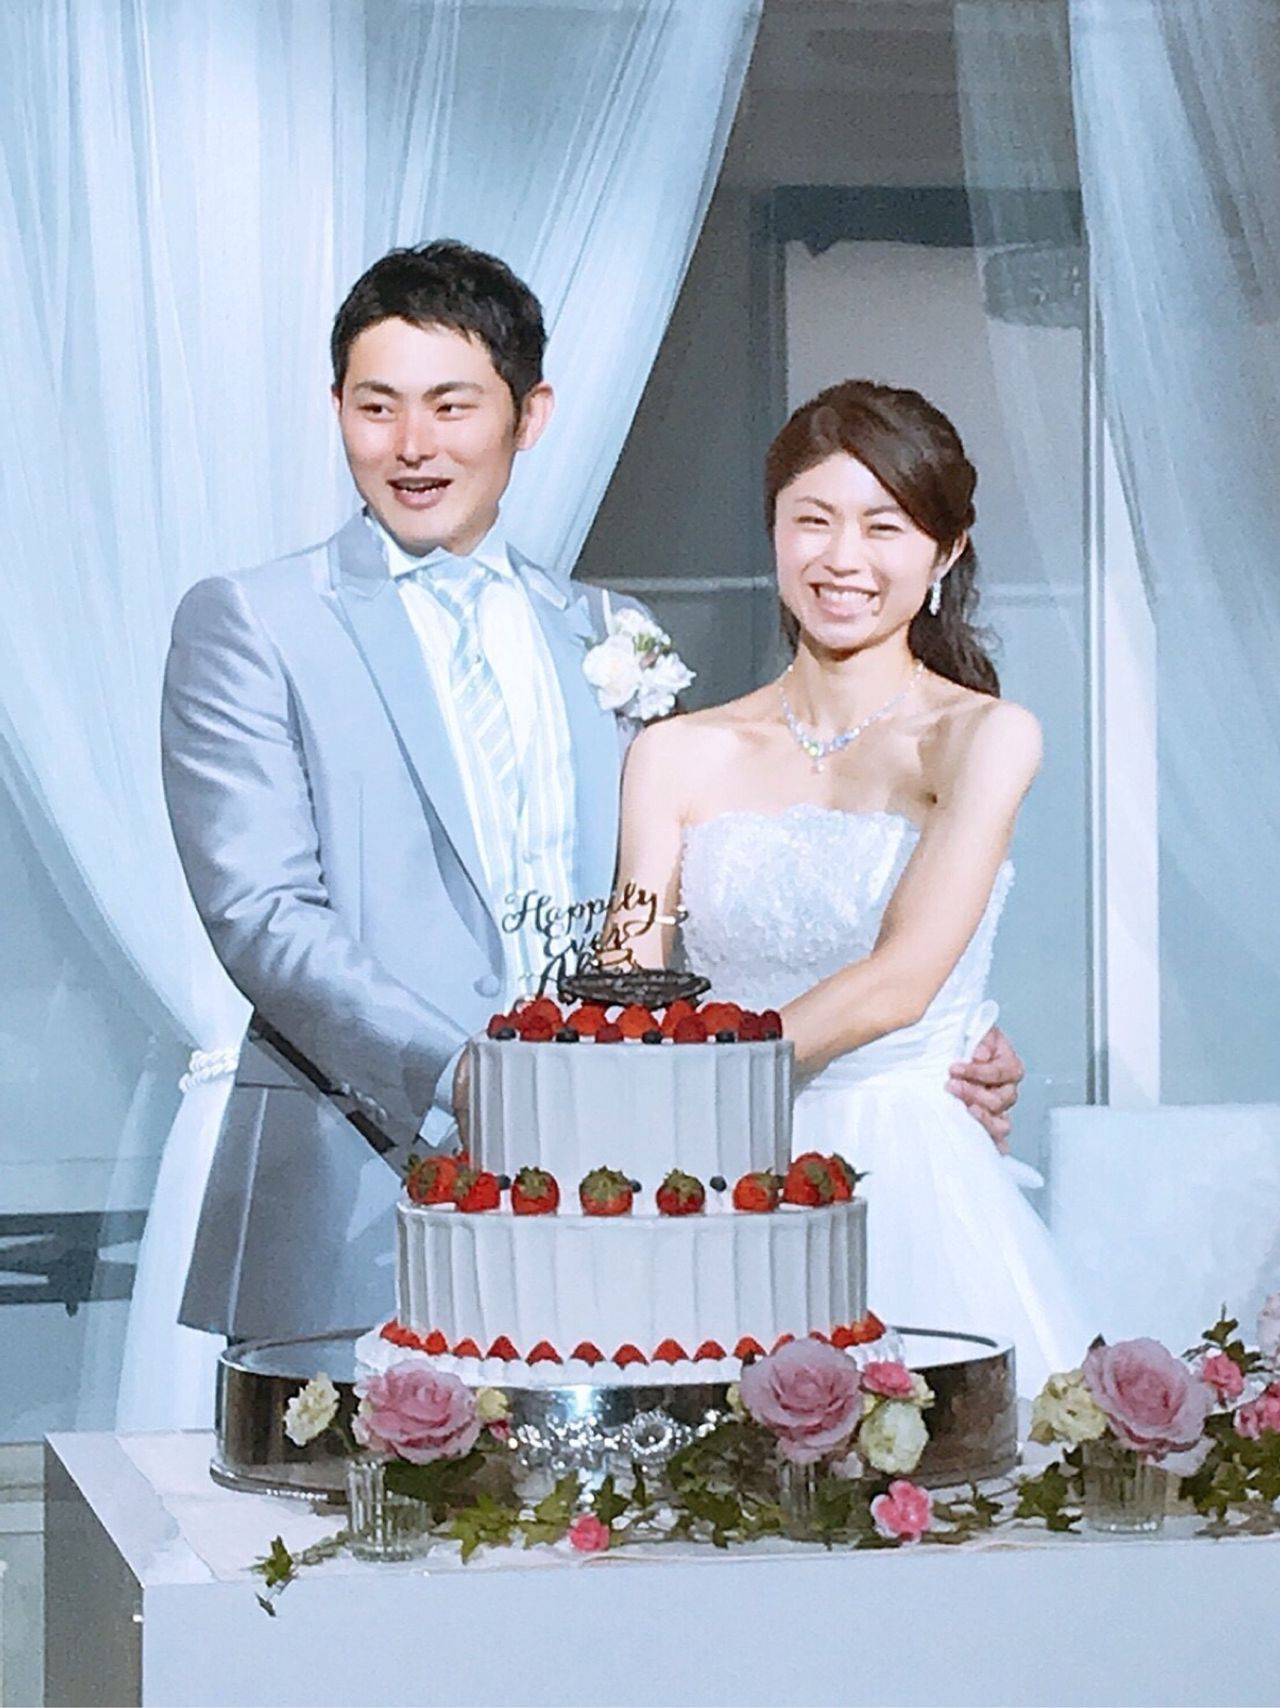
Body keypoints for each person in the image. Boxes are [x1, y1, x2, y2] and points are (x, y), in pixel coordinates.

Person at [161, 244, 1024, 1343]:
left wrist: (934, 1048)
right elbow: (262, 916)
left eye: (451, 405)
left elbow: (684, 913)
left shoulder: (611, 634)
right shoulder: (253, 621)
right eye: (377, 407)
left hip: (628, 1185)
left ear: (530, 415)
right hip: (361, 1173)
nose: (413, 444)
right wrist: (483, 1082)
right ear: (336, 409)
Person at [616, 379, 1088, 1394]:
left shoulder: (982, 737)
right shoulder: (674, 753)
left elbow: (900, 981)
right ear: (773, 532)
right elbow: (624, 974)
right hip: (710, 1177)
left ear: (945, 552)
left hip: (903, 1176)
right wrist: (610, 1091)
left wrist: (694, 1079)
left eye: (884, 526)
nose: (842, 558)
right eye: (813, 520)